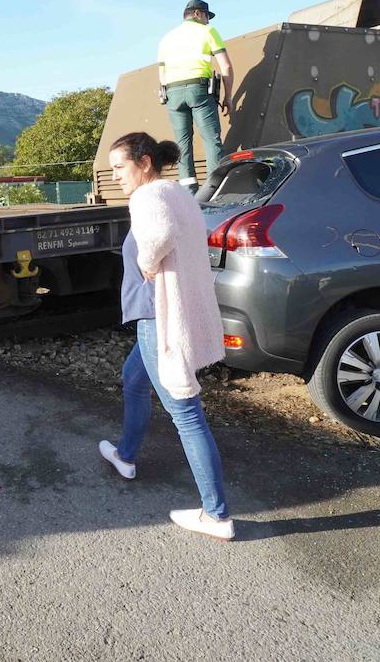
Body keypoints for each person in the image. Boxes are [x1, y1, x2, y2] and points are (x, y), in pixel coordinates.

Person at [97, 131, 234, 540]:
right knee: (133, 380)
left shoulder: (147, 197)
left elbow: (159, 237)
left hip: (160, 318)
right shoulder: (177, 193)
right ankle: (125, 455)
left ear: (144, 163)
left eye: (120, 167)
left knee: (186, 412)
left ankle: (217, 515)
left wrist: (147, 261)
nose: (115, 175)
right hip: (162, 314)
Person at [157, 0, 234, 187]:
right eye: (207, 16)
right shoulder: (208, 31)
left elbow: (162, 74)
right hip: (198, 90)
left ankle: (189, 191)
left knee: (182, 145)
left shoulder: (166, 38)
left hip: (172, 93)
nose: (208, 21)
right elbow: (226, 66)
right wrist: (228, 97)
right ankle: (214, 189)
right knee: (211, 140)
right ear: (197, 13)